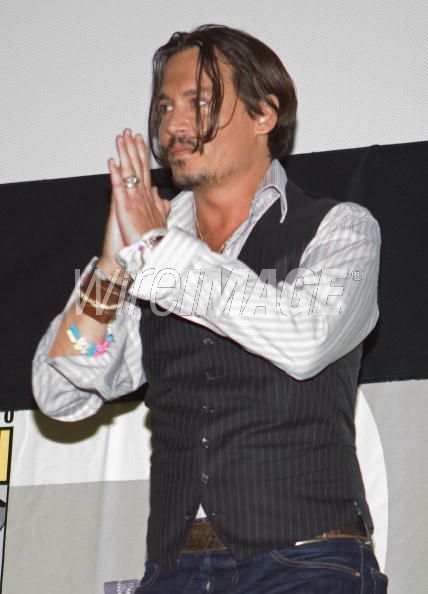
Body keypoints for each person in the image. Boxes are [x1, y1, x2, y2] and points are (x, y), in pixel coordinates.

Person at [33, 24, 387, 594]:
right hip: (174, 570)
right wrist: (113, 266)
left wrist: (158, 253)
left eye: (198, 102)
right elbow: (61, 391)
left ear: (264, 113)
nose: (173, 124)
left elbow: (306, 340)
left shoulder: (340, 229)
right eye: (164, 106)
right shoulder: (148, 251)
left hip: (306, 562)